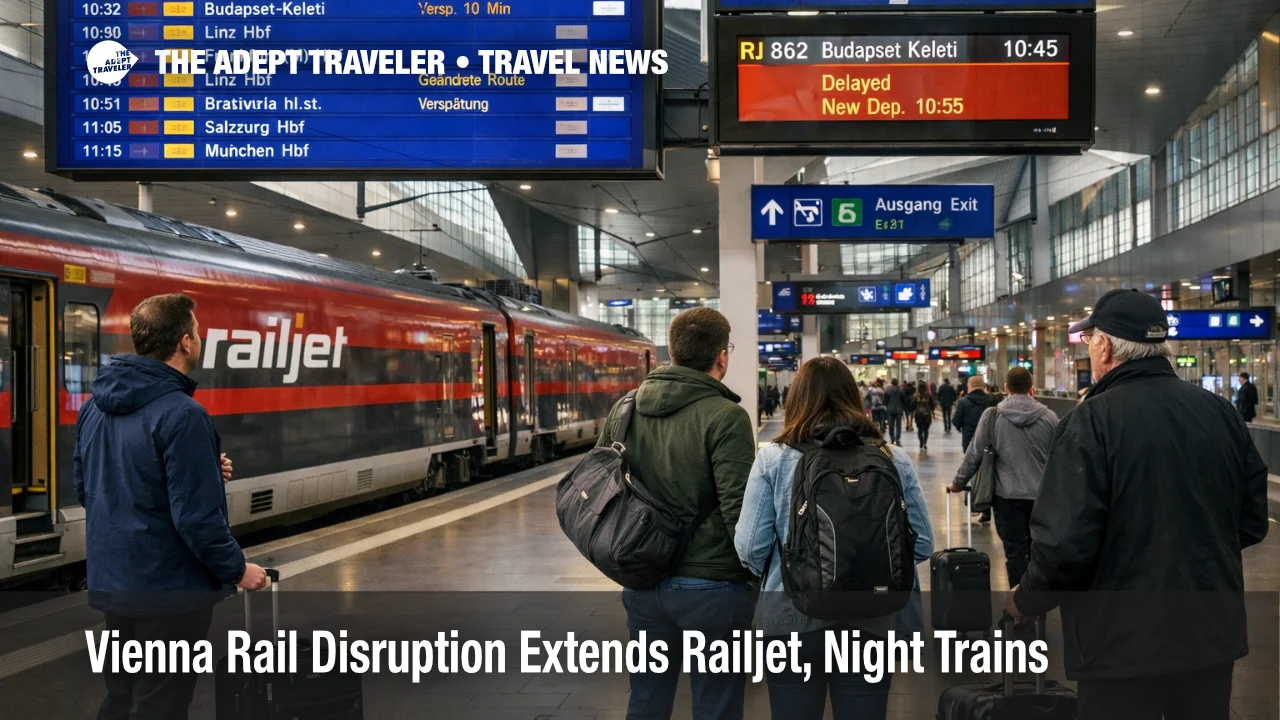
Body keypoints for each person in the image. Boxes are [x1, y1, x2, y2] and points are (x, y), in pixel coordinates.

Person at [1008, 289, 1270, 720]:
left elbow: (1066, 543)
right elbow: (1252, 519)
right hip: (1208, 634)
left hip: (1120, 641)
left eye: (1089, 339)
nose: (1090, 348)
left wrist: (1027, 599)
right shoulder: (1219, 412)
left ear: (1106, 346)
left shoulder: (1091, 421)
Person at [74, 294, 270, 720]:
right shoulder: (183, 414)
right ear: (185, 342)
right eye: (197, 332)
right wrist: (237, 570)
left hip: (116, 584)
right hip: (170, 593)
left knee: (121, 700)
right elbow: (196, 519)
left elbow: (89, 489)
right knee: (160, 705)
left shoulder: (92, 409)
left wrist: (196, 471)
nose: (199, 338)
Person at [735, 356, 934, 720]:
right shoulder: (893, 457)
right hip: (875, 618)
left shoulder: (774, 460)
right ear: (853, 397)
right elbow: (922, 544)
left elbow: (750, 548)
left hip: (793, 617)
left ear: (797, 398)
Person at [596, 306, 757, 720]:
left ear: (672, 351)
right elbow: (740, 510)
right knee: (715, 705)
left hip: (642, 577)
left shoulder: (624, 409)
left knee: (647, 701)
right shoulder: (726, 417)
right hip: (713, 585)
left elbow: (604, 487)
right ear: (722, 356)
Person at [948, 367, 1058, 588]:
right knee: (1037, 552)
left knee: (1015, 552)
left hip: (1006, 498)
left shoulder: (992, 416)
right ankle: (1037, 602)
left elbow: (974, 455)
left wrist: (958, 483)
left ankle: (1019, 610)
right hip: (1041, 499)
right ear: (1032, 389)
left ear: (1006, 388)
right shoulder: (1049, 417)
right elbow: (1061, 458)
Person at [951, 376, 999, 521]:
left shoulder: (964, 402)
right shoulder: (992, 400)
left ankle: (976, 503)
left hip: (970, 441)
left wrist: (964, 428)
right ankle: (987, 510)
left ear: (969, 386)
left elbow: (956, 421)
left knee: (973, 471)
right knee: (990, 472)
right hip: (992, 441)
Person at [913, 381, 936, 451]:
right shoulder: (929, 395)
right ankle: (925, 443)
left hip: (918, 415)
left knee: (920, 430)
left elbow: (913, 405)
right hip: (927, 415)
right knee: (926, 430)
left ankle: (921, 442)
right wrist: (932, 410)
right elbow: (932, 405)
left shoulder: (916, 395)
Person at [883, 378, 905, 446]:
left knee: (891, 425)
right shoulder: (901, 390)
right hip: (899, 410)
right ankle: (897, 438)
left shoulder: (887, 390)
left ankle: (892, 438)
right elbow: (903, 400)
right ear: (897, 383)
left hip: (890, 410)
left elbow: (885, 401)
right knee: (898, 425)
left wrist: (887, 406)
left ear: (892, 383)